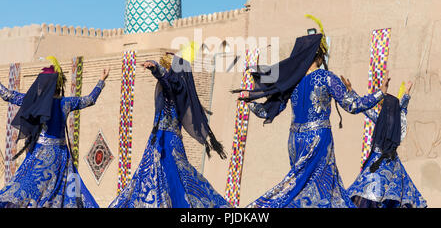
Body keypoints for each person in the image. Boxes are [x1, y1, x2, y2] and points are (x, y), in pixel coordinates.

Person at [237, 15, 388, 208]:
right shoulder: (326, 77)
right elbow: (353, 105)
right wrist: (379, 94)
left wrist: (249, 103)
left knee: (299, 186)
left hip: (295, 140)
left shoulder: (292, 81)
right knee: (320, 189)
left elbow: (270, 111)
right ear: (319, 55)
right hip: (318, 138)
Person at [109, 49, 230, 208]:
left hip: (164, 140)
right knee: (175, 178)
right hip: (166, 139)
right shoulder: (181, 88)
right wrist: (175, 56)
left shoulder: (174, 86)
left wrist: (155, 68)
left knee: (168, 177)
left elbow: (166, 79)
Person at [0, 56, 109, 208]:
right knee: (60, 195)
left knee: (25, 189)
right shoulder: (67, 102)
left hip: (40, 155)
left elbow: (8, 95)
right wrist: (101, 80)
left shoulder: (35, 101)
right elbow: (90, 99)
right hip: (61, 156)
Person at [344, 80, 427, 208]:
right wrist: (406, 94)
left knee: (370, 196)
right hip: (392, 164)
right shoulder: (399, 124)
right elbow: (403, 109)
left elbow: (365, 109)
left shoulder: (382, 121)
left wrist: (351, 91)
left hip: (377, 164)